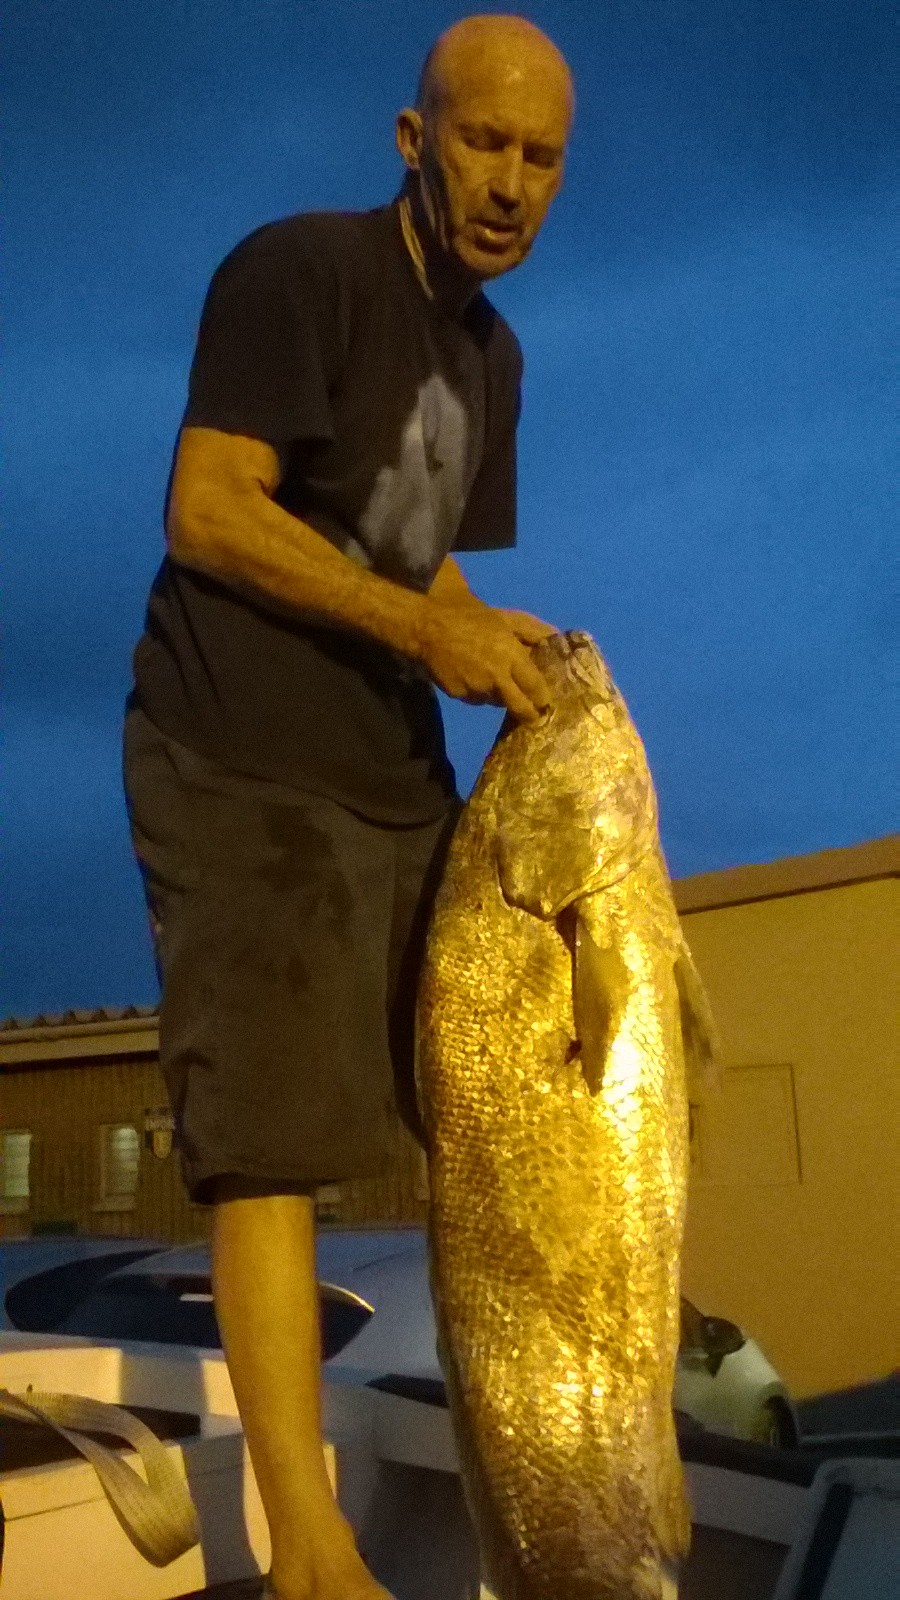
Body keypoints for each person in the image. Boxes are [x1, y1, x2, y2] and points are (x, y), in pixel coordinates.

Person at [124, 15, 574, 1600]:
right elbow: (207, 508)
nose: (508, 181)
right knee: (275, 1138)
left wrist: (493, 635)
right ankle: (310, 1548)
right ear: (413, 137)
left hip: (392, 770)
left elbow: (414, 560)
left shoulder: (493, 360)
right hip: (237, 752)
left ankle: (531, 1455)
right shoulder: (300, 271)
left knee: (481, 1103)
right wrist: (423, 629)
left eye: (539, 157)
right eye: (482, 141)